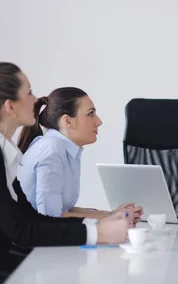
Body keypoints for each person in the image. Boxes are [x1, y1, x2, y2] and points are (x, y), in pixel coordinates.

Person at [0, 62, 129, 275]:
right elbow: (22, 231)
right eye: (29, 92)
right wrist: (97, 233)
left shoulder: (2, 150)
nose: (35, 100)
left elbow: (30, 218)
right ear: (10, 107)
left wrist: (99, 224)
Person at [16, 87, 143, 221]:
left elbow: (63, 210)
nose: (99, 122)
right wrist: (112, 219)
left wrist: (113, 214)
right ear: (67, 121)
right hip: (35, 239)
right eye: (90, 114)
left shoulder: (61, 148)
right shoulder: (52, 149)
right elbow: (51, 218)